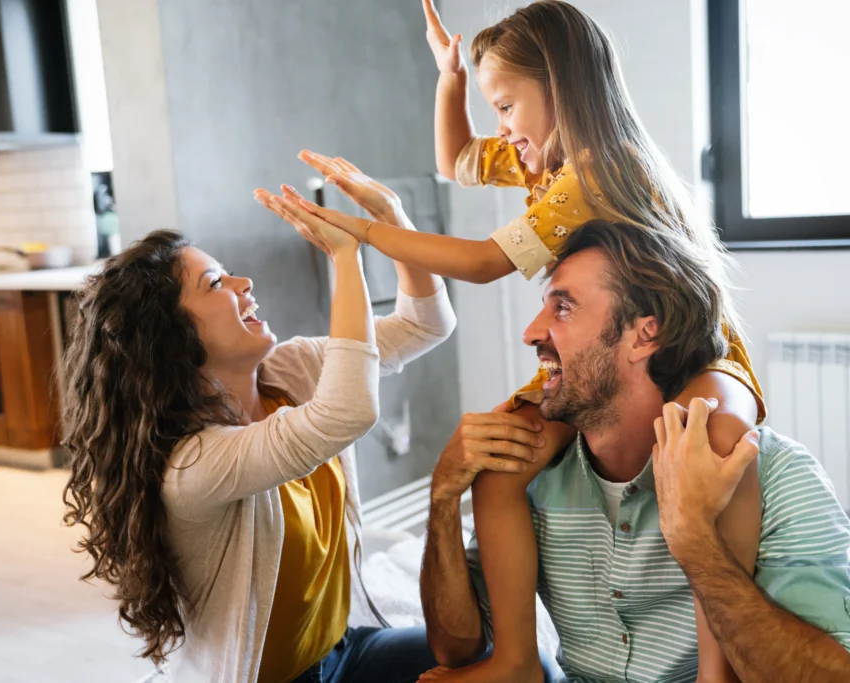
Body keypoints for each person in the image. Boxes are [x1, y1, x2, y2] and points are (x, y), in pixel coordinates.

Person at [289, 0, 764, 677]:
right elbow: (455, 159)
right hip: (605, 358)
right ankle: (514, 659)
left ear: (561, 90)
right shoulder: (541, 160)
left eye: (507, 107)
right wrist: (450, 77)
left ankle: (719, 671)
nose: (502, 129)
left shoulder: (599, 169)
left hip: (692, 353)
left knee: (712, 444)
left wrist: (362, 232)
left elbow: (485, 262)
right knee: (502, 458)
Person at [419, 220, 850, 683]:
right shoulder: (530, 473)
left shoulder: (777, 476)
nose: (531, 332)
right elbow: (458, 649)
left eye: (563, 309)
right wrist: (442, 498)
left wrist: (696, 543)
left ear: (644, 335)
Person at [60, 179, 456, 683]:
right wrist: (346, 258)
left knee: (501, 656)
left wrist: (392, 218)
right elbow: (346, 413)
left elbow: (426, 325)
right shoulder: (193, 465)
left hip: (344, 650)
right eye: (214, 284)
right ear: (174, 339)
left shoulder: (291, 370)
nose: (243, 283)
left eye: (228, 274)